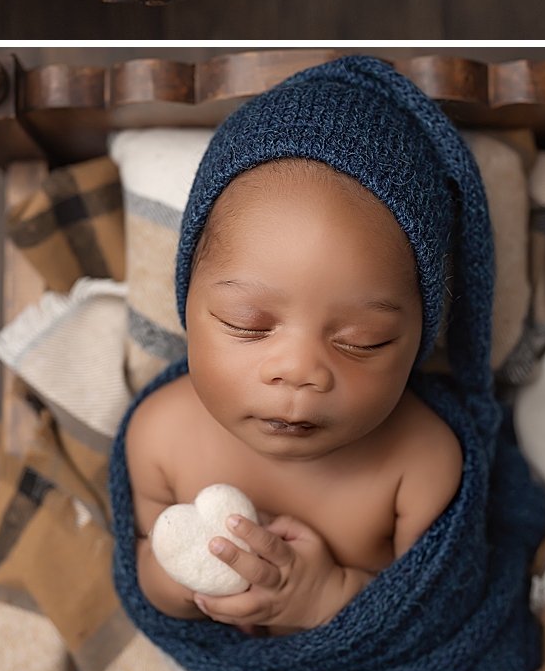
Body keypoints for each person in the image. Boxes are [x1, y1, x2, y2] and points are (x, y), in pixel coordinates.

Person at [122, 155, 464, 635]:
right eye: (247, 324)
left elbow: (435, 619)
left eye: (362, 340)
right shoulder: (160, 435)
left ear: (417, 340)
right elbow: (142, 569)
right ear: (187, 305)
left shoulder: (421, 462)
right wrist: (186, 578)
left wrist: (329, 596)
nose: (300, 372)